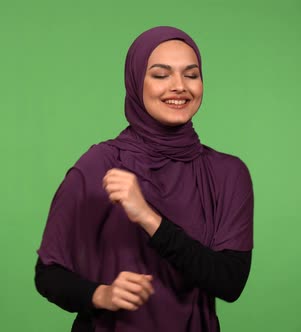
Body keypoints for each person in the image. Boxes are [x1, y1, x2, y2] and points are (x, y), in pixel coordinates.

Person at [34, 26, 254, 332]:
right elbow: (48, 273)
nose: (179, 86)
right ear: (136, 82)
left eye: (191, 74)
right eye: (161, 75)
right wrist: (102, 294)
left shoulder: (227, 173)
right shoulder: (99, 164)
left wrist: (149, 218)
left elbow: (230, 282)